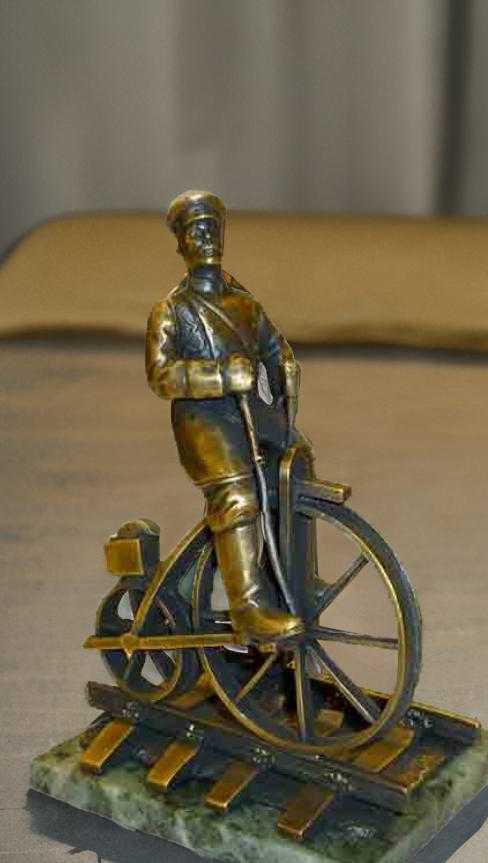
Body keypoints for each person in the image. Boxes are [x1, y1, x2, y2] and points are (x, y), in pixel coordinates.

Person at [145, 190, 302, 645]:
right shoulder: (172, 312)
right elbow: (161, 376)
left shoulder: (245, 306)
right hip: (204, 423)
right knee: (237, 492)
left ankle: (288, 576)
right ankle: (248, 610)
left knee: (297, 464)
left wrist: (285, 370)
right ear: (181, 245)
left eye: (212, 229)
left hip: (249, 413)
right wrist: (221, 375)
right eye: (196, 232)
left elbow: (274, 347)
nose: (207, 239)